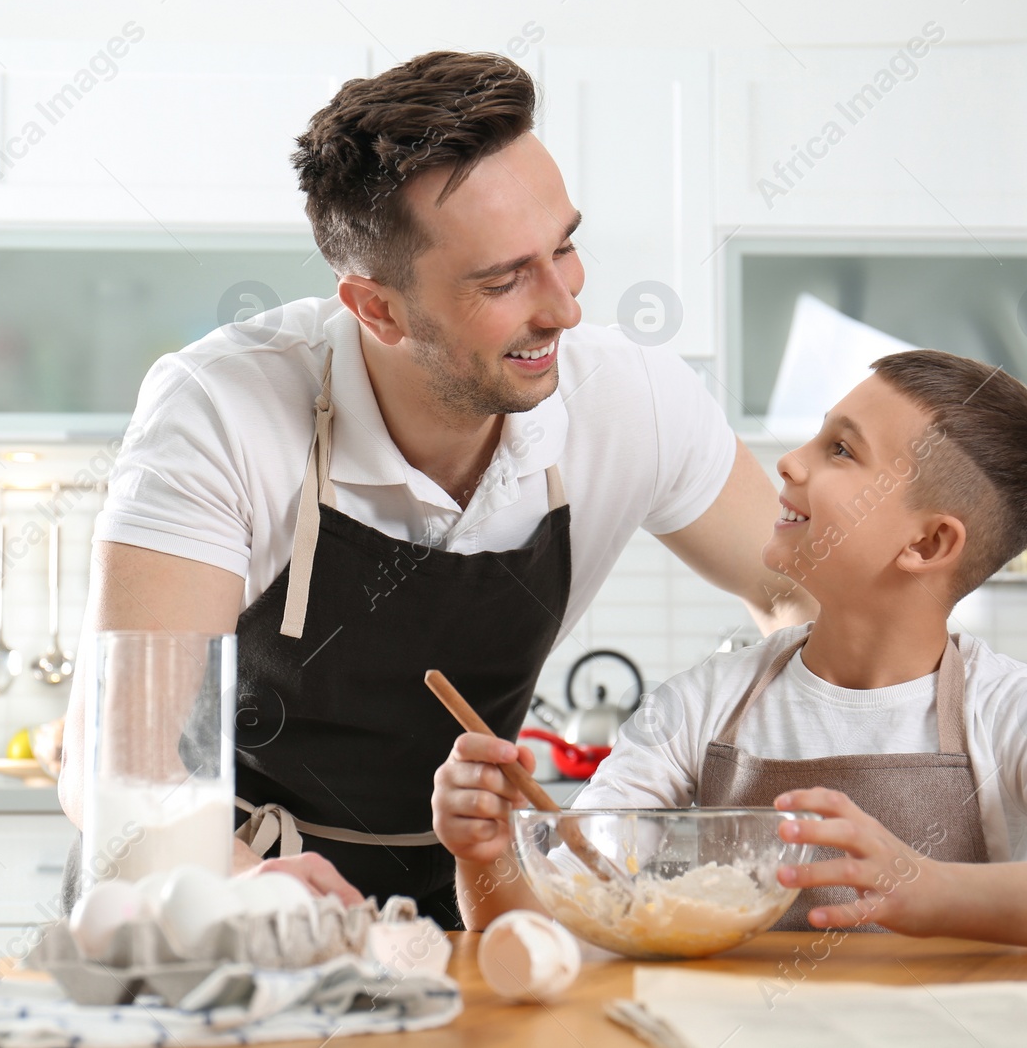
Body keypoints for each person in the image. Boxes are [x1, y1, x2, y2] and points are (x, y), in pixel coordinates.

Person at [58, 50, 815, 928]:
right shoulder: (221, 409)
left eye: (564, 247)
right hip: (215, 896)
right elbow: (123, 764)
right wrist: (242, 887)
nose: (565, 306)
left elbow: (802, 592)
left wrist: (781, 792)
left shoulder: (632, 400)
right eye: (502, 280)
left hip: (457, 901)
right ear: (376, 308)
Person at [434, 349, 1027, 946]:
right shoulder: (700, 706)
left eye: (841, 449)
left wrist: (925, 887)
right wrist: (484, 855)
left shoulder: (1016, 711)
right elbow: (553, 921)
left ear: (926, 544)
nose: (790, 460)